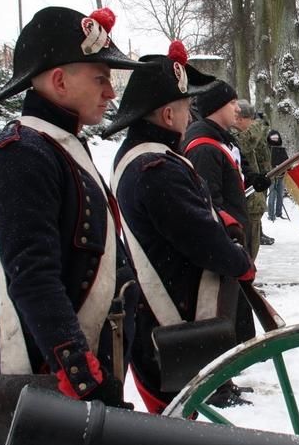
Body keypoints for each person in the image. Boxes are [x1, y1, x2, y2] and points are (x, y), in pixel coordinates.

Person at [0, 6, 147, 445]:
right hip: (56, 379)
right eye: (100, 78)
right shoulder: (22, 155)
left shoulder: (60, 145)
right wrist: (74, 366)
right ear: (58, 80)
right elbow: (31, 275)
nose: (111, 92)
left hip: (88, 372)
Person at [103, 42, 252, 419]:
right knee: (173, 425)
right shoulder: (157, 168)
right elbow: (200, 237)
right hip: (170, 315)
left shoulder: (145, 158)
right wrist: (239, 260)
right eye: (186, 107)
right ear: (168, 114)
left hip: (162, 311)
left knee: (174, 425)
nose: (191, 114)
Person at [182, 80, 271, 345]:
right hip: (224, 243)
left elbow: (230, 182)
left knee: (233, 317)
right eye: (231, 102)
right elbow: (210, 203)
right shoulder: (204, 147)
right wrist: (228, 245)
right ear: (217, 107)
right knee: (221, 320)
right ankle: (223, 378)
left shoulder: (220, 141)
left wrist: (252, 179)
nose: (237, 108)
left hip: (231, 240)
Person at [233, 99, 275, 256]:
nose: (253, 125)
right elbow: (245, 143)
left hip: (253, 200)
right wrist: (259, 124)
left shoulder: (246, 134)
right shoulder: (232, 134)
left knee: (252, 248)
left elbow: (261, 155)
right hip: (244, 201)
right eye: (251, 121)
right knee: (246, 250)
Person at [267, 129, 288, 221]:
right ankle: (271, 215)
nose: (275, 140)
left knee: (280, 194)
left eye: (276, 138)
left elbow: (286, 160)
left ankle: (278, 213)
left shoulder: (281, 149)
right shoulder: (267, 149)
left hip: (281, 174)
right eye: (273, 138)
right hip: (271, 175)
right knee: (272, 194)